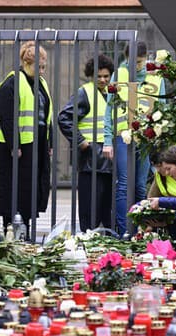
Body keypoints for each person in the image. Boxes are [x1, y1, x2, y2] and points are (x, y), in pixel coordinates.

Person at [102, 42, 166, 236]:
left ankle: (141, 229)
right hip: (122, 136)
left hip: (145, 138)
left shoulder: (156, 77)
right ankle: (124, 232)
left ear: (147, 57)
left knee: (140, 185)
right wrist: (106, 140)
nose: (136, 66)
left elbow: (162, 108)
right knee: (123, 184)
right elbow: (109, 108)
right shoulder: (120, 74)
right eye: (133, 62)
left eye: (140, 62)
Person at [0, 41, 52, 240]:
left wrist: (49, 142)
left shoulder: (41, 84)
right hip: (17, 149)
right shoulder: (12, 82)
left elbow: (47, 116)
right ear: (27, 63)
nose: (43, 71)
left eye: (44, 67)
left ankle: (24, 233)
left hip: (36, 146)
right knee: (13, 190)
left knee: (29, 191)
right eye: (40, 67)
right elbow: (7, 117)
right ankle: (10, 232)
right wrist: (15, 144)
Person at [58, 55, 114, 233]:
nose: (103, 80)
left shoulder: (112, 94)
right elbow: (64, 118)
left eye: (106, 76)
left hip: (108, 160)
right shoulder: (85, 92)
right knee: (90, 208)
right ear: (91, 75)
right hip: (90, 160)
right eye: (99, 76)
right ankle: (88, 238)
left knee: (107, 208)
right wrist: (81, 141)